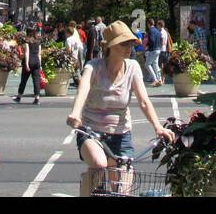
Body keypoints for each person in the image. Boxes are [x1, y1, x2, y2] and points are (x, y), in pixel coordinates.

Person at [66, 21, 176, 179]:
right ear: (110, 46)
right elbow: (82, 90)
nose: (129, 47)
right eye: (124, 43)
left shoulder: (133, 67)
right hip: (92, 131)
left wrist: (158, 127)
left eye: (131, 43)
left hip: (121, 133)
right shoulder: (93, 66)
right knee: (99, 164)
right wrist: (75, 113)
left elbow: (144, 101)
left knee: (122, 186)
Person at [14, 29, 43, 104]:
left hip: (29, 62)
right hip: (36, 62)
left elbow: (27, 53)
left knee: (23, 80)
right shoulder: (38, 42)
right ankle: (37, 98)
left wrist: (26, 64)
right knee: (36, 81)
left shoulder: (27, 42)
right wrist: (40, 64)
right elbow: (39, 54)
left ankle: (19, 97)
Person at [64, 22, 84, 87]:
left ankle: (80, 84)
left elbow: (69, 50)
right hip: (76, 57)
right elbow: (80, 48)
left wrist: (65, 52)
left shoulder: (68, 39)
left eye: (66, 33)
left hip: (71, 58)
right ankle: (79, 83)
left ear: (68, 33)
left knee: (72, 73)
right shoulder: (76, 38)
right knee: (76, 72)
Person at [144, 19, 163, 87]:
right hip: (159, 49)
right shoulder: (157, 30)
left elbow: (151, 40)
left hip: (153, 50)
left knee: (147, 64)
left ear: (148, 24)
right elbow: (161, 39)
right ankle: (159, 79)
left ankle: (155, 79)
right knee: (155, 64)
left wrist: (147, 47)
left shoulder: (150, 30)